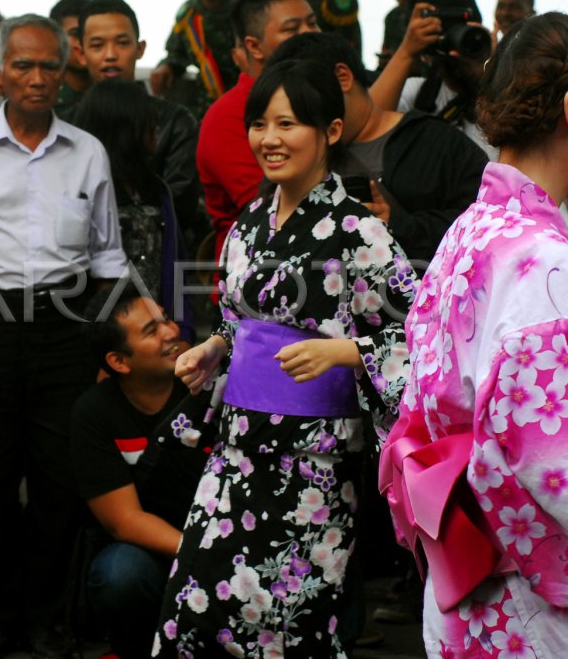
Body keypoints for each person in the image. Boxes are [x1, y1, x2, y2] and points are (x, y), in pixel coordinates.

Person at [379, 11, 568, 658]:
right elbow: (546, 462)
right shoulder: (546, 261)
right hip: (522, 593)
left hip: (462, 582)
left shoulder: (469, 232)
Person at [156, 57, 414, 656]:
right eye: (259, 124)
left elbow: (424, 335)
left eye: (288, 124)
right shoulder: (248, 221)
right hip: (237, 452)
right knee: (193, 608)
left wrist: (345, 350)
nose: (269, 139)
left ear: (329, 131)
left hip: (313, 464)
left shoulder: (358, 228)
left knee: (289, 621)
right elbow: (238, 315)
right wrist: (215, 346)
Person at [0, 13, 128, 659]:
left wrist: (101, 350)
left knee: (59, 478)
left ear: (62, 75)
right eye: (23, 66)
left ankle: (48, 619)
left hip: (67, 324)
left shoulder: (87, 151)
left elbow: (109, 265)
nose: (37, 78)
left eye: (48, 67)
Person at [70, 285, 207, 659]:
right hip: (151, 550)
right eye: (151, 330)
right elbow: (124, 521)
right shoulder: (94, 414)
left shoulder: (208, 388)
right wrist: (201, 554)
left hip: (224, 535)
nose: (170, 332)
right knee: (120, 575)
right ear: (119, 362)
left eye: (165, 319)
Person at [275, 31, 487, 263]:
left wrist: (396, 224)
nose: (299, 113)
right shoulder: (303, 159)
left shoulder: (439, 142)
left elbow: (485, 228)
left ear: (342, 77)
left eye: (302, 100)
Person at [197, 0, 318, 265]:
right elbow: (276, 211)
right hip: (256, 287)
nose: (311, 34)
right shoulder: (228, 116)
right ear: (254, 46)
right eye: (292, 28)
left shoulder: (314, 97)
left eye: (312, 23)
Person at [77, 0, 204, 238]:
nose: (110, 55)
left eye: (122, 43)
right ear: (80, 53)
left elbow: (180, 209)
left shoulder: (175, 122)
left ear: (140, 49)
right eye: (97, 46)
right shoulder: (66, 123)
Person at [75, 80, 193, 336]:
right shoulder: (86, 190)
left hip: (159, 327)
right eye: (149, 124)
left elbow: (176, 266)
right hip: (107, 333)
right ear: (125, 129)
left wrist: (183, 329)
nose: (156, 131)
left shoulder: (156, 190)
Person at [373, 0, 497, 159]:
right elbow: (367, 126)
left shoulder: (505, 93)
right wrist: (407, 52)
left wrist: (492, 71)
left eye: (463, 32)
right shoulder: (417, 93)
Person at [149, 0, 240, 119]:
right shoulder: (188, 13)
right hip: (205, 106)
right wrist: (166, 66)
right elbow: (176, 53)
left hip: (245, 101)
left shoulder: (244, 9)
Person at [49, 0, 91, 120]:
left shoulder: (111, 93)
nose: (85, 41)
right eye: (76, 34)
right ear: (55, 38)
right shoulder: (45, 97)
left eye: (91, 33)